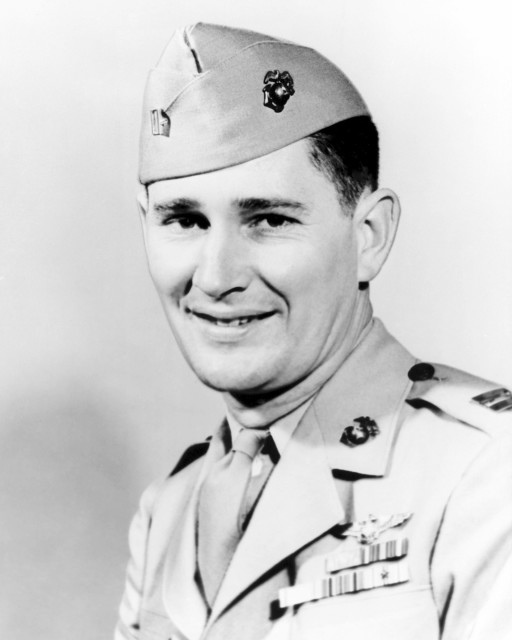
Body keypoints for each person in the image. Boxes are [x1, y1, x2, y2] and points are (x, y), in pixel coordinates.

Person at [115, 23, 512, 640]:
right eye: (185, 221)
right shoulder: (169, 510)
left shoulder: (488, 475)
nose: (216, 277)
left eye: (268, 219)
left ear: (369, 236)